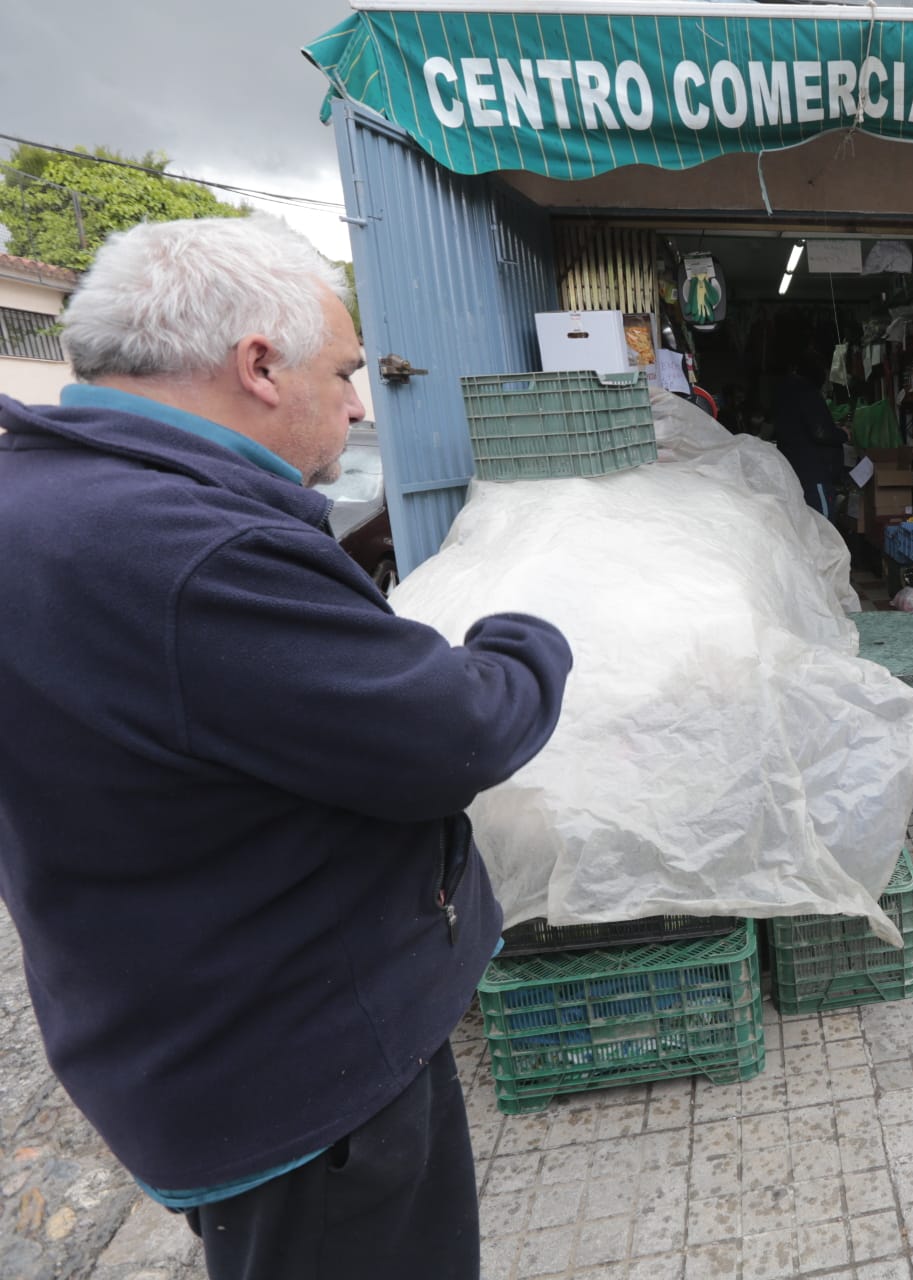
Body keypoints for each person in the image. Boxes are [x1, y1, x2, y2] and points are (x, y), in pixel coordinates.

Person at [0, 217, 574, 1280]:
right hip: (302, 1082)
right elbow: (456, 732)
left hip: (185, 1036)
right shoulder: (191, 550)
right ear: (257, 365)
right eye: (347, 372)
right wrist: (524, 635)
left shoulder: (38, 494)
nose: (361, 405)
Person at [770, 348, 845, 518]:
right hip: (813, 474)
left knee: (806, 525)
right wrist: (842, 433)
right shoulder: (806, 392)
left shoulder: (785, 392)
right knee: (824, 528)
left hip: (794, 471)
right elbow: (821, 432)